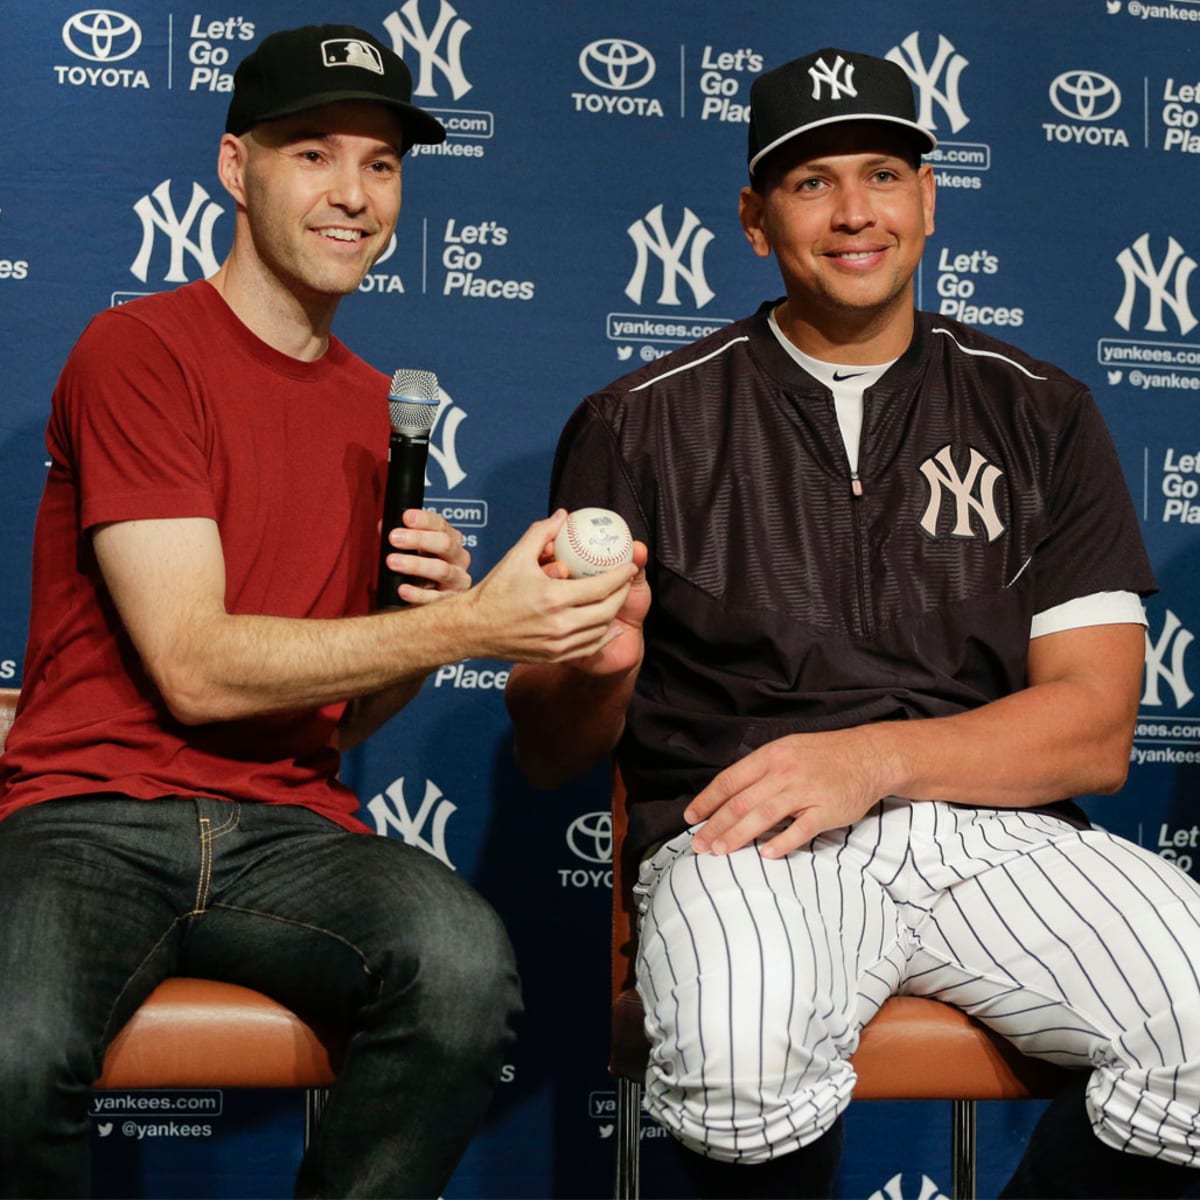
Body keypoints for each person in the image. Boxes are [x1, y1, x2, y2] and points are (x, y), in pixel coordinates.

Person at [506, 46, 1200, 1199]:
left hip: (990, 830)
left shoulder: (1040, 410)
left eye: (882, 173)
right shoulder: (640, 423)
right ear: (753, 217)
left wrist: (875, 760)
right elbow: (549, 748)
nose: (853, 213)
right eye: (810, 182)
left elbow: (1094, 730)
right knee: (735, 1060)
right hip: (746, 829)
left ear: (930, 197)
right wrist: (603, 666)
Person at [0, 23, 637, 1200]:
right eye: (314, 154)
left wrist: (422, 612)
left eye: (383, 163)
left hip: (286, 830)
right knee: (11, 1050)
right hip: (91, 812)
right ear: (237, 168)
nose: (354, 194)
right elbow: (193, 666)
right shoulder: (137, 350)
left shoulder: (377, 412)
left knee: (457, 970)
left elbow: (339, 724)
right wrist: (464, 628)